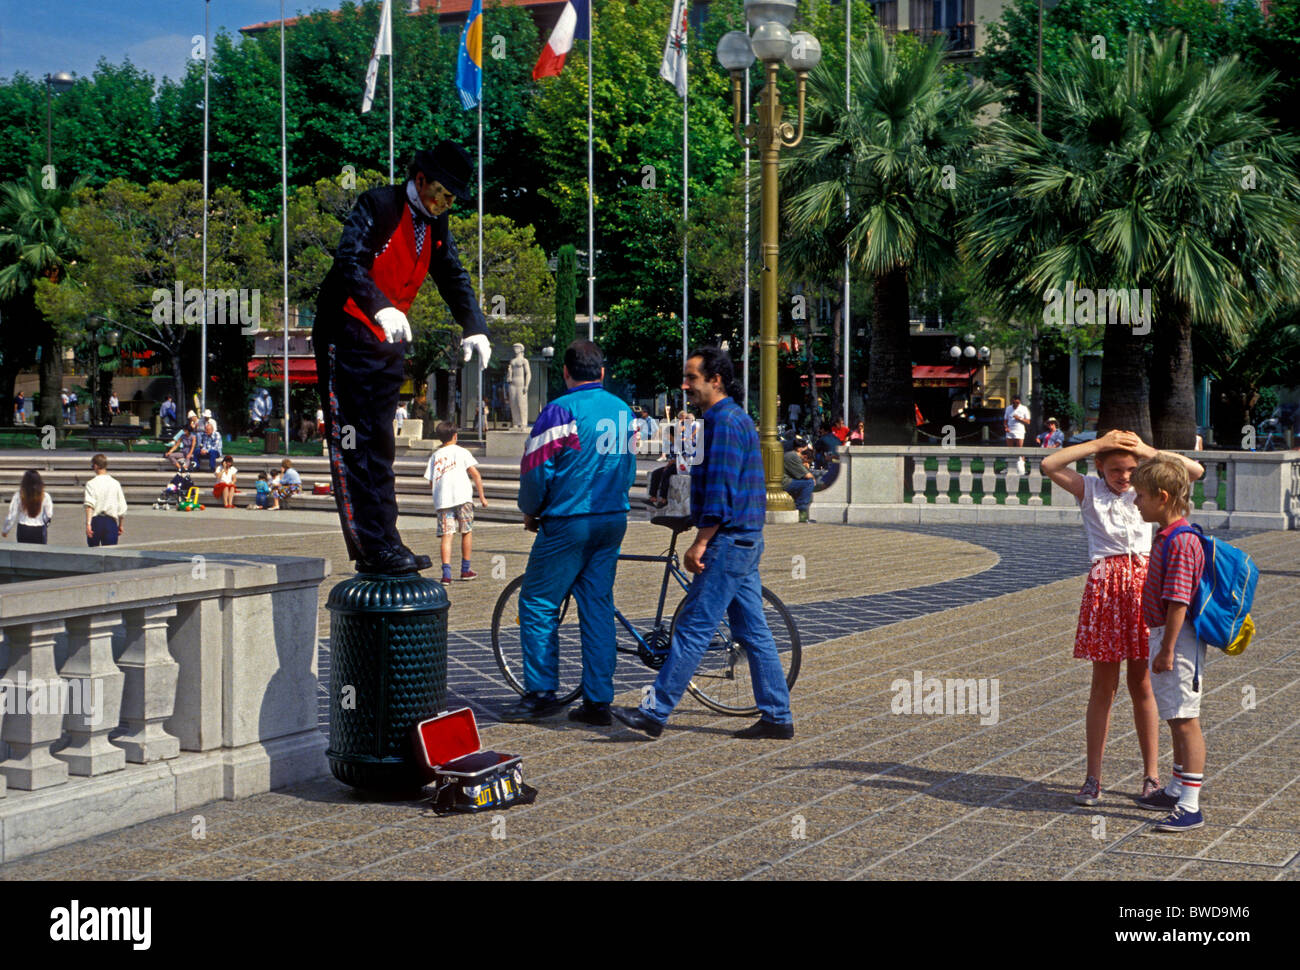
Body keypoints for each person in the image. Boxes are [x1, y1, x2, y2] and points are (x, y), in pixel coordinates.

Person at [313, 141, 491, 576]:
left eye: (452, 199)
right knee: (353, 443)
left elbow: (452, 274)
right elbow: (348, 261)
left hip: (387, 340)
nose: (447, 204)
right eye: (443, 194)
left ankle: (387, 539)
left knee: (381, 445)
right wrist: (379, 305)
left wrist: (475, 325)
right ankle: (369, 547)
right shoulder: (377, 204)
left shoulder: (435, 222)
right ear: (420, 181)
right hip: (347, 330)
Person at [612, 347, 794, 741]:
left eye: (692, 377)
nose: (685, 385)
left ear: (716, 380)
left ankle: (655, 710)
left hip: (728, 541)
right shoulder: (733, 419)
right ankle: (777, 715)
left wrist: (700, 542)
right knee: (753, 632)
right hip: (745, 539)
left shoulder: (722, 423)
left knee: (694, 626)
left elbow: (722, 491)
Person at [1041, 429, 1204, 808]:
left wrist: (1146, 450)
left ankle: (1151, 775)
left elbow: (1193, 471)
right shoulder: (1090, 490)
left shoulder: (1144, 491)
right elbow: (1050, 463)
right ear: (1100, 467)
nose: (1125, 476)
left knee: (1143, 683)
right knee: (1103, 685)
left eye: (1131, 469)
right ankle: (1093, 776)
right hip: (1106, 587)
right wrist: (1098, 445)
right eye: (1116, 469)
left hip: (1146, 585)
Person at [504, 340, 637, 724]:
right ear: (601, 372)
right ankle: (598, 701)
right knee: (597, 606)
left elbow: (537, 468)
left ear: (565, 373)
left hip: (569, 518)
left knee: (538, 602)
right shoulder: (624, 411)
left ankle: (542, 691)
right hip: (613, 518)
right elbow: (627, 467)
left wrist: (531, 510)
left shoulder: (560, 410)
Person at [1132, 452, 1209, 832]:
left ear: (1162, 497)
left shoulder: (1180, 541)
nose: (1135, 502)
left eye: (1141, 496)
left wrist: (1166, 649)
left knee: (1185, 720)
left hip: (1177, 639)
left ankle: (1191, 805)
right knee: (1175, 714)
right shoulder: (1169, 536)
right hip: (1167, 636)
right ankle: (1178, 786)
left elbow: (1179, 601)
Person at [422, 421, 488, 584]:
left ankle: (446, 574)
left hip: (443, 500)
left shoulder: (435, 456)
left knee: (447, 535)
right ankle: (465, 570)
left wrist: (437, 495)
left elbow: (431, 481)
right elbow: (476, 475)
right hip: (463, 498)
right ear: (455, 436)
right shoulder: (462, 452)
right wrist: (482, 497)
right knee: (466, 531)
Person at [84, 453, 127, 547]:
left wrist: (88, 524)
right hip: (111, 521)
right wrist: (120, 524)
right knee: (110, 554)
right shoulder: (115, 483)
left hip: (96, 520)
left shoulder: (91, 483)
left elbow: (89, 505)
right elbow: (122, 507)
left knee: (93, 552)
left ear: (95, 466)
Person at [3, 469, 53, 544]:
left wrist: (6, 530)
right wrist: (46, 525)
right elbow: (49, 514)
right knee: (40, 554)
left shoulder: (18, 496)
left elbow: (12, 516)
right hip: (39, 529)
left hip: (23, 529)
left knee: (23, 554)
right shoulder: (45, 496)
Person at [783, 444, 815, 522]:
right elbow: (807, 476)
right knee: (809, 483)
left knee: (804, 484)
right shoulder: (794, 457)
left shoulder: (791, 455)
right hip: (785, 482)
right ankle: (802, 513)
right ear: (805, 457)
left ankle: (800, 509)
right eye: (808, 462)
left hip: (787, 480)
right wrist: (813, 478)